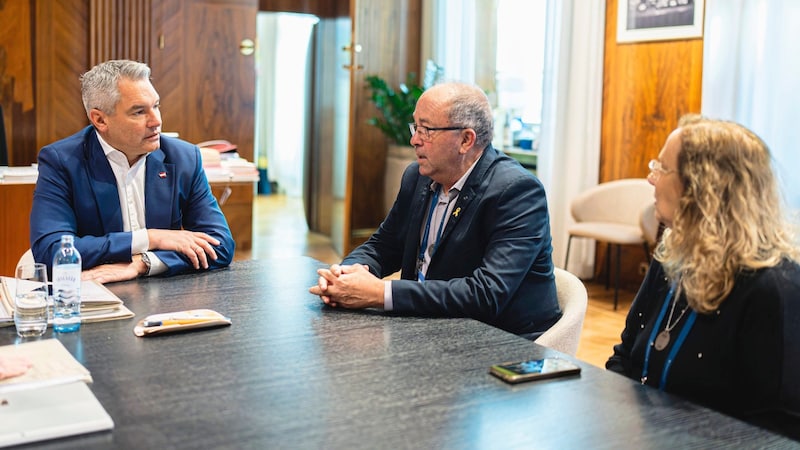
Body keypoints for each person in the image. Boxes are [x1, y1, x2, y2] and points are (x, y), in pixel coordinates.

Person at [309, 82, 560, 339]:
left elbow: (487, 293)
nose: (414, 139)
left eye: (426, 130)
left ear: (466, 140)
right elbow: (383, 246)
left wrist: (379, 293)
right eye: (415, 127)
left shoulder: (517, 192)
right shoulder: (417, 177)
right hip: (431, 326)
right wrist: (348, 273)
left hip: (502, 340)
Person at [606, 114, 800, 435]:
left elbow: (775, 431)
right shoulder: (671, 254)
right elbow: (625, 356)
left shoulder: (774, 290)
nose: (651, 179)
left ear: (701, 188)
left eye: (662, 168)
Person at [30, 60, 235, 283]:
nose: (156, 121)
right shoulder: (62, 161)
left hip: (165, 296)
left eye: (156, 106)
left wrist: (143, 263)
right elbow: (51, 251)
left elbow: (220, 245)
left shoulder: (184, 158)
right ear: (100, 119)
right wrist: (150, 238)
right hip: (96, 294)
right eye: (139, 112)